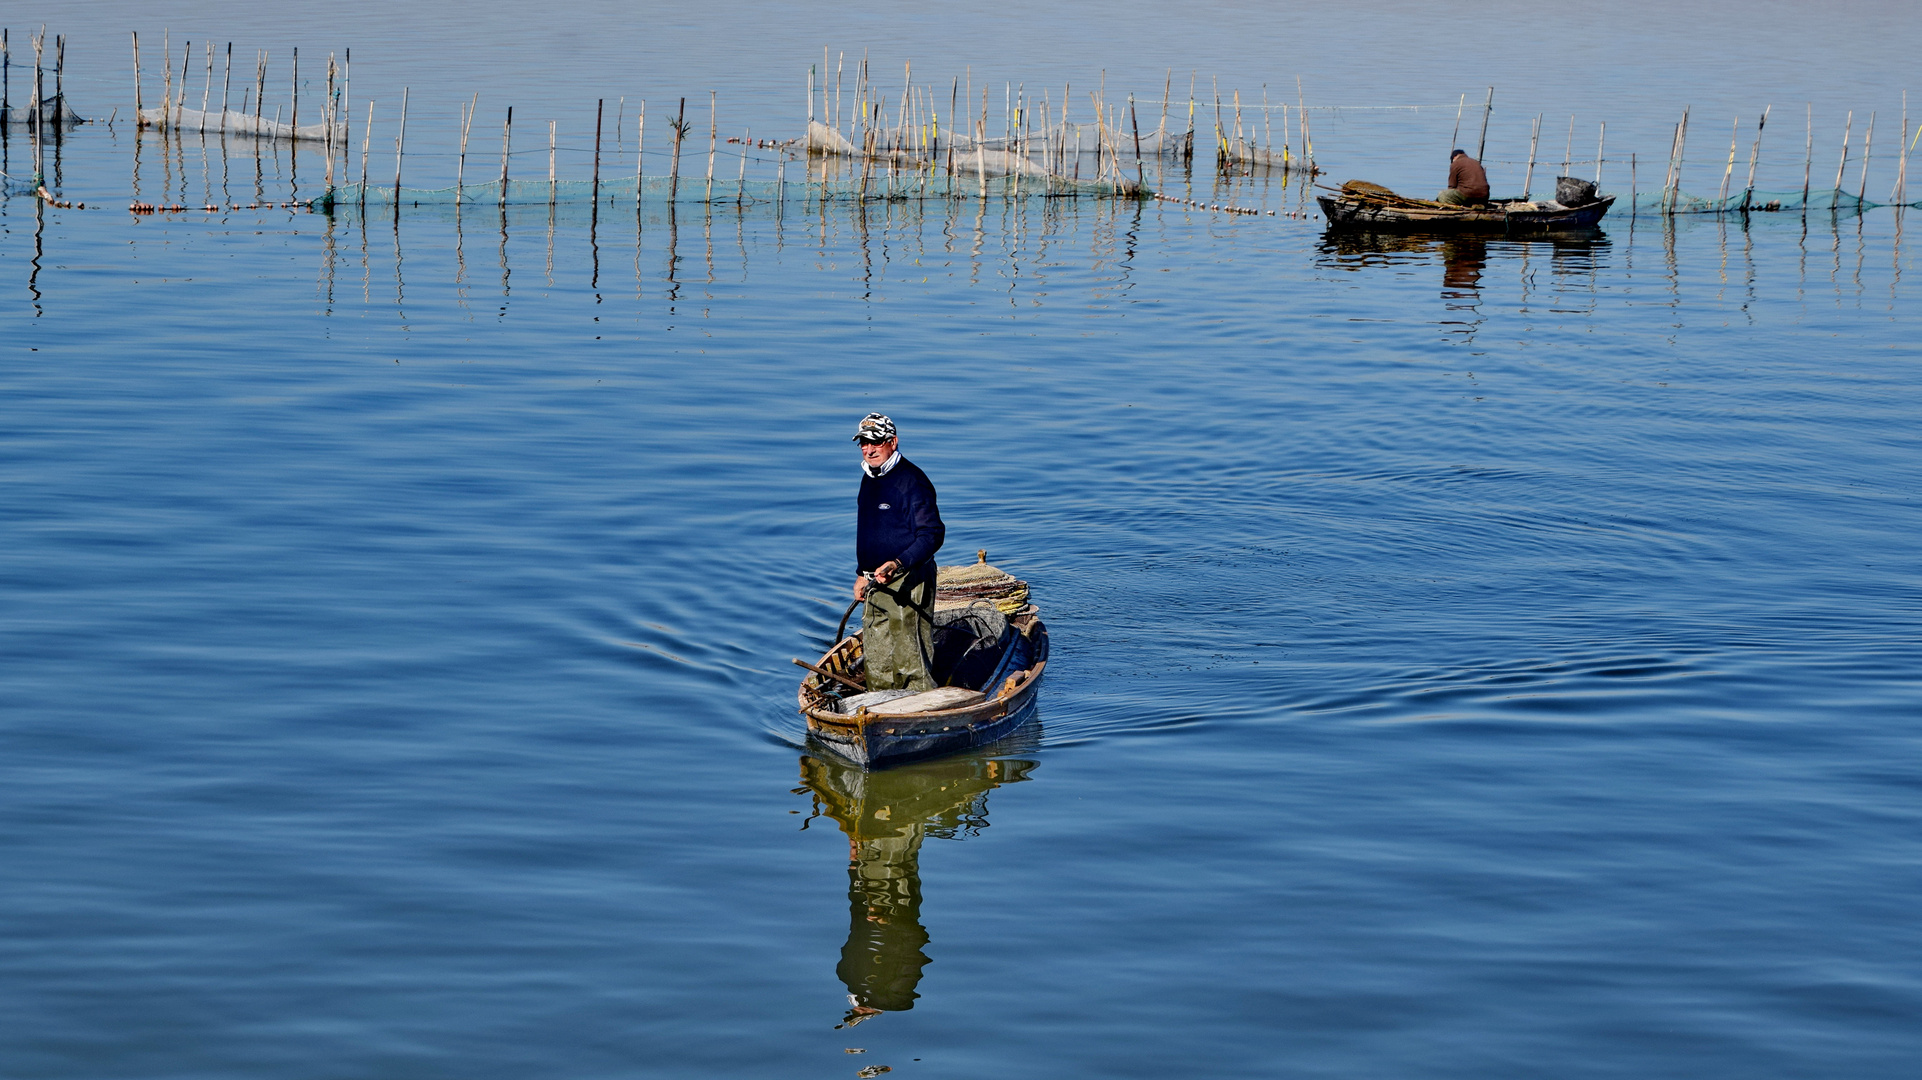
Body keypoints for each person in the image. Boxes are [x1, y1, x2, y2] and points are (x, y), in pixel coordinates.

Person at [851, 413, 945, 693]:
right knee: (877, 655)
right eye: (863, 443)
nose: (869, 449)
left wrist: (897, 562)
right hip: (873, 582)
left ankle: (920, 711)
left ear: (893, 442)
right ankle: (881, 704)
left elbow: (933, 534)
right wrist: (861, 574)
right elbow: (868, 531)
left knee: (910, 655)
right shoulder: (869, 476)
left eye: (876, 442)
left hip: (908, 579)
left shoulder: (912, 481)